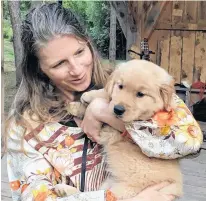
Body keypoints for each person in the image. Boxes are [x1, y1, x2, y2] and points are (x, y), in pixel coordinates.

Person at [5, 3, 177, 201]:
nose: (77, 69)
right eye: (59, 63)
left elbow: (187, 140)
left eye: (79, 52)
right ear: (38, 69)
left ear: (88, 43)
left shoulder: (128, 81)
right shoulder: (26, 126)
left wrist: (103, 111)